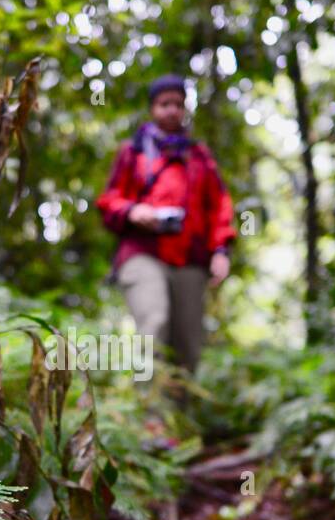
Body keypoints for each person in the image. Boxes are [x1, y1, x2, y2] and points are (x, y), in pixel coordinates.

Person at [97, 74, 235, 378]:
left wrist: (221, 250)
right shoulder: (132, 151)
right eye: (164, 104)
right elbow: (108, 199)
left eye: (178, 104)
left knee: (188, 344)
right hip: (142, 252)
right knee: (154, 322)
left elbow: (219, 205)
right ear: (152, 109)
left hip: (190, 258)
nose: (172, 110)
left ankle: (180, 418)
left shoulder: (199, 156)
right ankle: (152, 417)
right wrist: (133, 211)